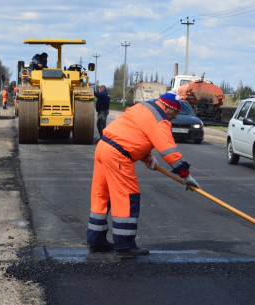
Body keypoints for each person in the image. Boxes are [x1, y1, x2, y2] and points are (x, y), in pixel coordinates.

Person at [86, 92, 200, 257]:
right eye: (174, 112)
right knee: (126, 197)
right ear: (167, 107)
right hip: (118, 156)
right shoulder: (160, 120)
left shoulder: (143, 107)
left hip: (104, 147)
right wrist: (186, 176)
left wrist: (147, 155)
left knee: (102, 195)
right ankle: (125, 245)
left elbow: (133, 132)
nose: (174, 117)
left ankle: (96, 241)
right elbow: (170, 153)